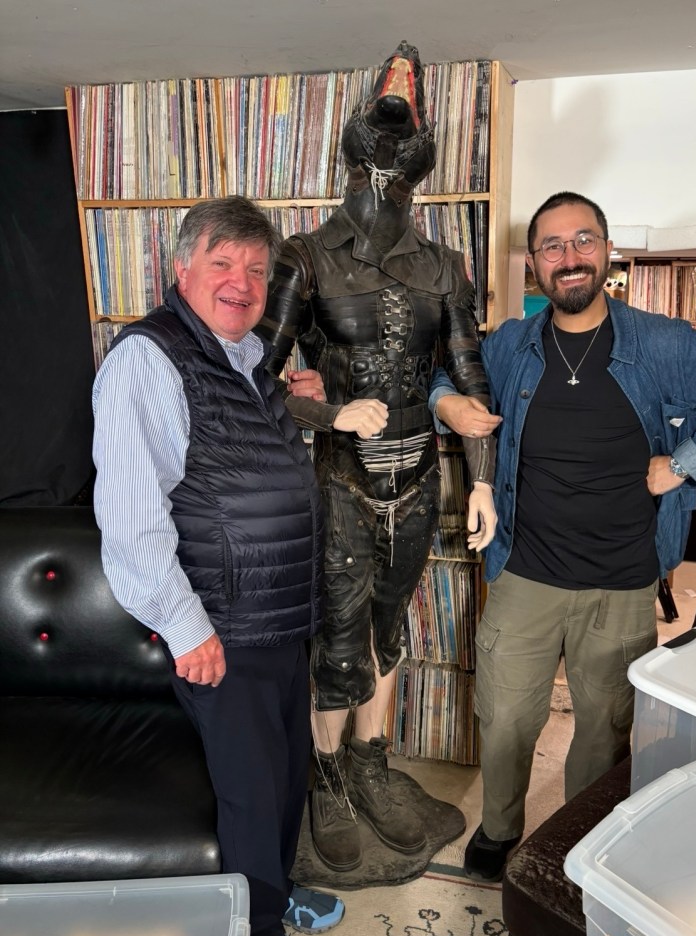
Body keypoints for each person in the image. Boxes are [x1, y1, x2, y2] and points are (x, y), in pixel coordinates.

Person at [430, 190, 696, 881]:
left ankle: (574, 840)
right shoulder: (511, 344)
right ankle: (500, 827)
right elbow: (445, 372)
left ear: (608, 250)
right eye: (552, 246)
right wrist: (448, 404)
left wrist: (683, 465)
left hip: (621, 579)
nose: (570, 257)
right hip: (524, 569)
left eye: (583, 240)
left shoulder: (661, 343)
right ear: (534, 263)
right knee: (505, 716)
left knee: (604, 728)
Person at [92, 195, 348, 936]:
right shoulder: (148, 359)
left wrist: (295, 396)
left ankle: (277, 886)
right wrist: (184, 625)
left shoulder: (244, 357)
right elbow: (132, 518)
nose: (242, 282)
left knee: (286, 771)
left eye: (257, 269)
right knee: (248, 786)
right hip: (221, 625)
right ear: (182, 269)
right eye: (223, 262)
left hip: (279, 616)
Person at [258, 41, 498, 875]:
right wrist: (329, 412)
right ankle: (325, 775)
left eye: (402, 153)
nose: (388, 167)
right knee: (337, 641)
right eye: (377, 153)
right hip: (341, 483)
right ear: (354, 159)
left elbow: (471, 379)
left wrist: (483, 483)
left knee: (388, 634)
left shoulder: (445, 268)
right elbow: (254, 380)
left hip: (420, 478)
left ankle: (370, 762)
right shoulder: (304, 257)